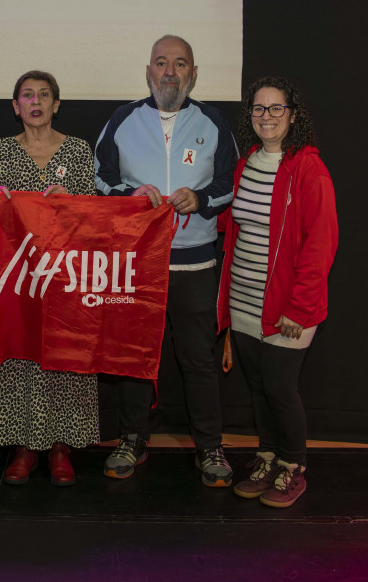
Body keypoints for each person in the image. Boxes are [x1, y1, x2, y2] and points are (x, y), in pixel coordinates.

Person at [94, 34, 239, 487]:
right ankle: (132, 439)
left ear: (193, 74)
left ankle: (209, 446)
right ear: (148, 71)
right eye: (161, 63)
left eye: (180, 64)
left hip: (195, 265)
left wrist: (201, 198)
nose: (170, 72)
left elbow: (230, 183)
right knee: (135, 359)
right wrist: (129, 196)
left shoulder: (213, 122)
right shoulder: (123, 119)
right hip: (139, 261)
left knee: (198, 360)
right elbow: (101, 178)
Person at [218, 76, 338, 508]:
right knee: (259, 389)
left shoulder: (308, 168)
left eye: (276, 108)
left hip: (289, 304)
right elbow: (236, 224)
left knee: (281, 390)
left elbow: (321, 243)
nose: (266, 117)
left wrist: (300, 307)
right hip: (245, 298)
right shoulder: (247, 160)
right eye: (259, 109)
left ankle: (293, 467)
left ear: (292, 114)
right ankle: (267, 457)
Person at [0, 71, 99, 486]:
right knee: (19, 354)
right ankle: (23, 446)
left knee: (64, 356)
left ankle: (62, 447)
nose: (36, 101)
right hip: (17, 278)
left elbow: (94, 215)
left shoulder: (79, 151)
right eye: (27, 95)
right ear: (15, 107)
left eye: (44, 95)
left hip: (65, 277)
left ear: (56, 104)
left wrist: (73, 204)